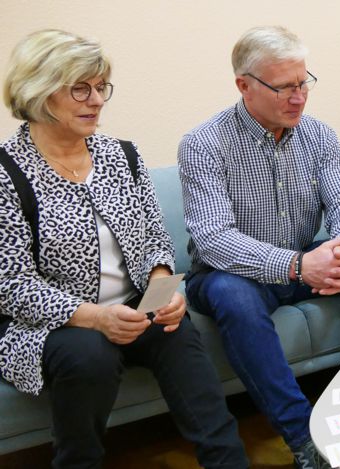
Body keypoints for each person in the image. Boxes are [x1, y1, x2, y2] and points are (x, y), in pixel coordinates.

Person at [0, 30, 247, 468]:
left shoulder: (123, 156)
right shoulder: (6, 172)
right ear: (38, 90)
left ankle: (228, 462)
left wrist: (162, 289)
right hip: (50, 324)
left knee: (178, 332)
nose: (95, 100)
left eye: (100, 88)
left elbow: (155, 238)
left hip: (134, 308)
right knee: (89, 353)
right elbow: (11, 285)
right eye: (80, 88)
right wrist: (95, 318)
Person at [178, 26, 340, 468]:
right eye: (284, 88)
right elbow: (214, 239)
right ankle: (304, 439)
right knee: (231, 294)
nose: (299, 97)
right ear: (244, 85)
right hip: (231, 274)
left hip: (305, 261)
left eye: (304, 83)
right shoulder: (203, 144)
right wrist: (300, 266)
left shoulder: (318, 135)